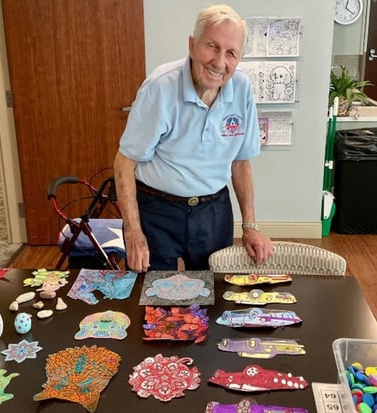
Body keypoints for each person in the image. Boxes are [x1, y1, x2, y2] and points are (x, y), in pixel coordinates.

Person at [113, 4, 273, 273]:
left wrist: (250, 226)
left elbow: (241, 162)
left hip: (213, 211)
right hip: (157, 210)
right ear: (192, 45)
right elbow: (124, 163)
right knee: (151, 296)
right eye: (212, 46)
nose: (220, 62)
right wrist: (133, 232)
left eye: (231, 53)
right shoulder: (161, 87)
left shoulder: (242, 88)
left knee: (214, 296)